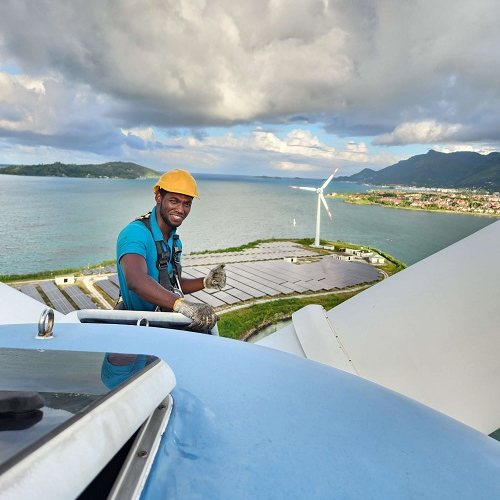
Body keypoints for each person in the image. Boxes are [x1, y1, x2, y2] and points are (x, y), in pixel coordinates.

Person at [116, 169, 226, 331]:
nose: (181, 209)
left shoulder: (175, 242)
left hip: (163, 324)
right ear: (158, 197)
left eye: (187, 203)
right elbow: (136, 280)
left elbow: (170, 284)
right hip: (138, 328)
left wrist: (205, 282)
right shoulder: (135, 233)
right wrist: (182, 305)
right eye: (174, 201)